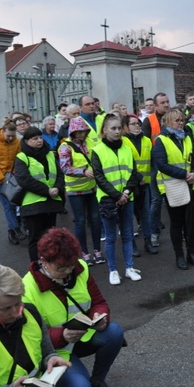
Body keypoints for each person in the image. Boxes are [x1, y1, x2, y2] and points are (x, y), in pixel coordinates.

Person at [22, 228, 125, 387]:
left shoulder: (80, 268)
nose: (68, 271)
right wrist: (62, 335)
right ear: (44, 261)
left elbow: (98, 301)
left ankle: (97, 382)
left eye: (71, 265)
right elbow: (30, 338)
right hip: (56, 351)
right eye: (61, 268)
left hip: (83, 336)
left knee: (114, 331)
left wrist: (100, 316)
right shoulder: (27, 288)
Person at [92, 114, 143, 285]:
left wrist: (126, 192)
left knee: (128, 234)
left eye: (119, 128)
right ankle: (113, 270)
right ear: (105, 130)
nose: (117, 131)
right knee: (111, 237)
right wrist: (116, 195)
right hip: (108, 199)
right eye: (113, 128)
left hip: (127, 198)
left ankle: (129, 268)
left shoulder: (127, 149)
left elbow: (134, 173)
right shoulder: (97, 150)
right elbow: (99, 177)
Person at [152, 108, 194, 270]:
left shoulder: (187, 137)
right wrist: (184, 174)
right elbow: (161, 164)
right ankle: (179, 255)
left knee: (190, 223)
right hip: (173, 187)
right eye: (177, 120)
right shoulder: (161, 140)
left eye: (182, 120)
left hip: (191, 185)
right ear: (167, 123)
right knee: (177, 223)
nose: (181, 123)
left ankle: (192, 253)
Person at [15, 126, 65, 262]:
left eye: (40, 137)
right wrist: (47, 191)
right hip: (33, 205)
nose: (39, 140)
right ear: (26, 141)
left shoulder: (49, 154)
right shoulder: (22, 157)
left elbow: (59, 174)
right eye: (34, 138)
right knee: (36, 239)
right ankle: (36, 268)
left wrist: (57, 188)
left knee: (51, 238)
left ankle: (51, 265)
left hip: (51, 202)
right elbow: (24, 180)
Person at [58, 117, 104, 266]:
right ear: (73, 132)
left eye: (84, 131)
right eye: (79, 132)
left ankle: (97, 250)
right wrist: (83, 172)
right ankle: (83, 252)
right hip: (75, 190)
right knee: (80, 221)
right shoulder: (65, 146)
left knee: (96, 219)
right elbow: (65, 167)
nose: (82, 134)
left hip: (92, 188)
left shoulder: (90, 142)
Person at [0, 119, 27, 245]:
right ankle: (16, 229)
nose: (10, 138)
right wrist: (3, 178)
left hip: (12, 178)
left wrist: (15, 174)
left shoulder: (17, 142)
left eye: (13, 136)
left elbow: (19, 159)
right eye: (8, 136)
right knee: (7, 204)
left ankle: (11, 232)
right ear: (3, 132)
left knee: (13, 204)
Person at [123, 114, 158, 254]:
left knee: (145, 214)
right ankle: (132, 245)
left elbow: (151, 160)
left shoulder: (146, 140)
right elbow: (127, 163)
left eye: (138, 123)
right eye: (133, 124)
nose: (137, 125)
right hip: (130, 184)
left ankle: (147, 242)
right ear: (126, 127)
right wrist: (138, 177)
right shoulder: (123, 141)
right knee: (130, 215)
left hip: (146, 183)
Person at [143, 92, 170, 248]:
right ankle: (154, 233)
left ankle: (180, 231)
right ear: (155, 105)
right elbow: (147, 143)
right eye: (162, 103)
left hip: (171, 163)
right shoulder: (149, 121)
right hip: (155, 165)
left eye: (167, 102)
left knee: (174, 200)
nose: (165, 105)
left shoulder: (173, 117)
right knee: (156, 200)